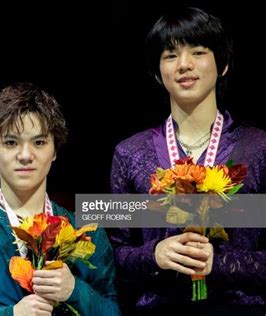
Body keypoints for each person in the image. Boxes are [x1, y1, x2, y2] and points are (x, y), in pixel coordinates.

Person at [108, 7, 266, 316]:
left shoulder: (258, 148)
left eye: (198, 51)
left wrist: (219, 262)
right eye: (170, 55)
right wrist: (154, 254)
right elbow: (112, 254)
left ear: (223, 64)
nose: (184, 65)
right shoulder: (129, 153)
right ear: (157, 71)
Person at [0, 83, 120, 315]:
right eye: (11, 142)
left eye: (39, 142)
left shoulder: (87, 231)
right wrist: (11, 314)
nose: (26, 156)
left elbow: (113, 310)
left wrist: (74, 291)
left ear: (55, 150)